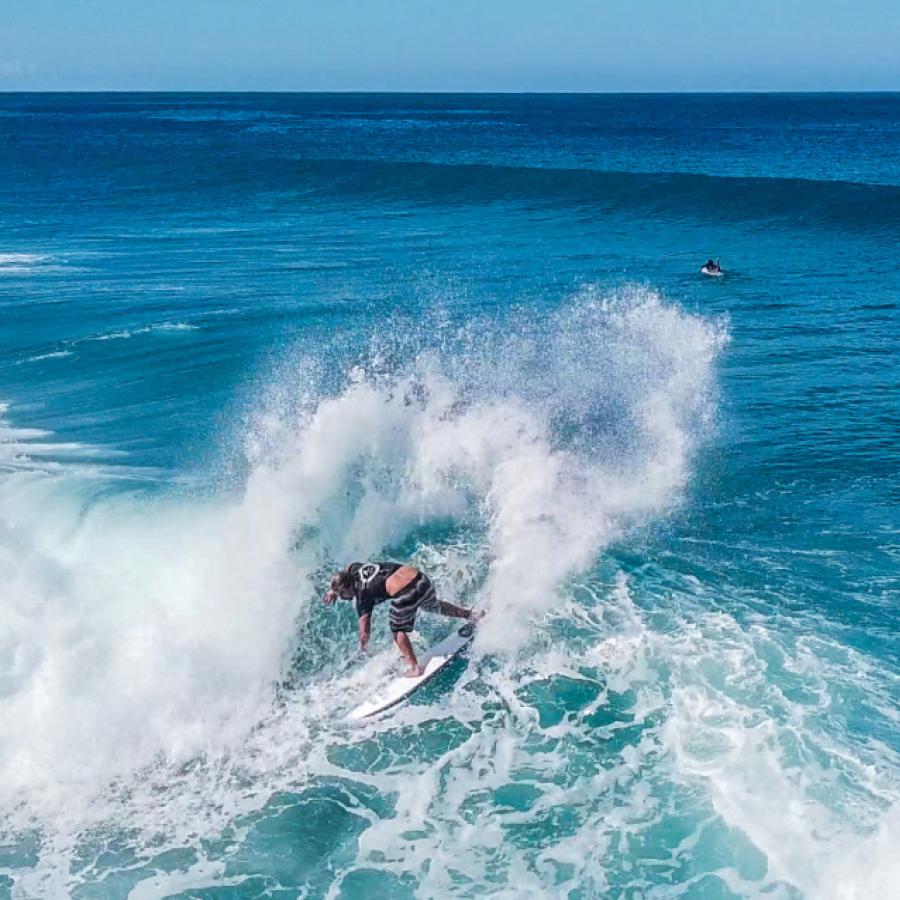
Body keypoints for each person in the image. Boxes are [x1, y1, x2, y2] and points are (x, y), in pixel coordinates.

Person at [323, 562, 480, 676]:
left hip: (407, 591)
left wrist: (363, 648)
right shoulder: (354, 570)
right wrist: (333, 591)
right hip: (421, 579)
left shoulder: (362, 596)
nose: (343, 599)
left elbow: (365, 632)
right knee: (433, 605)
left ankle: (415, 668)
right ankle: (471, 615)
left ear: (347, 588)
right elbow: (347, 567)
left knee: (398, 630)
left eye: (342, 595)